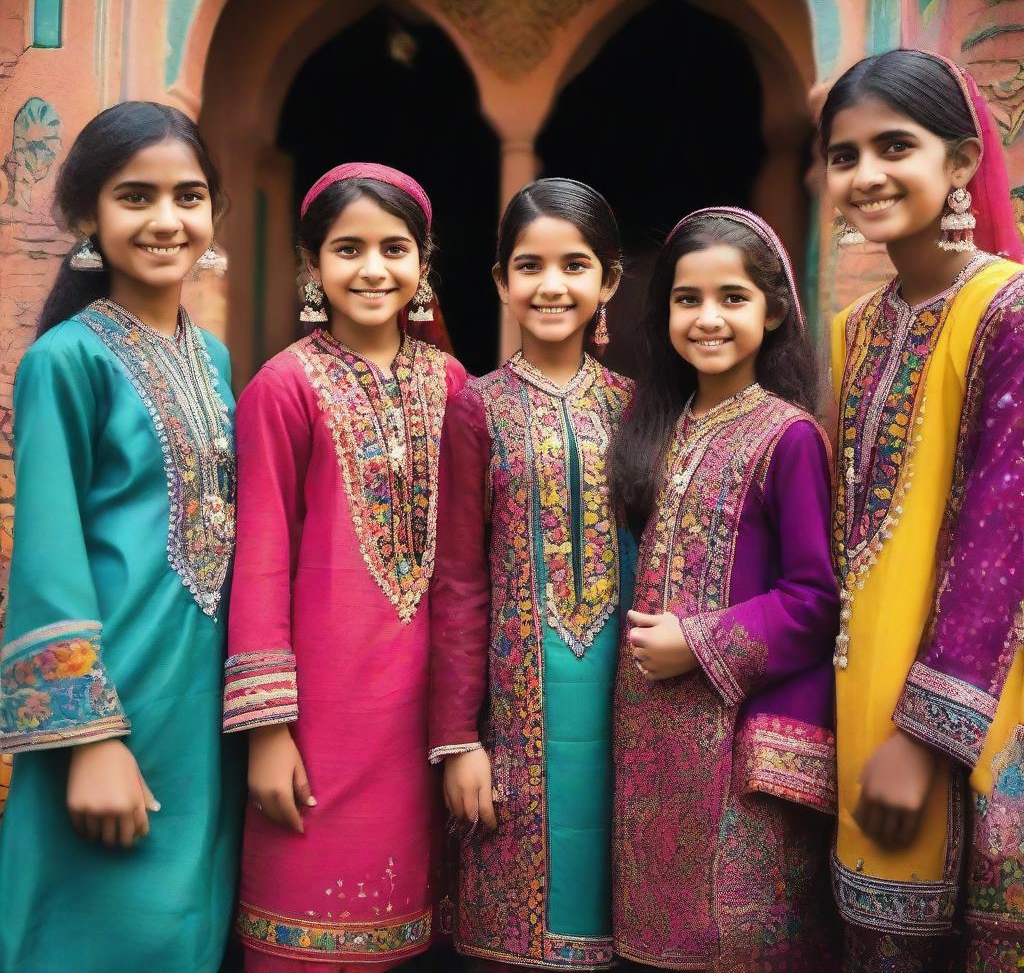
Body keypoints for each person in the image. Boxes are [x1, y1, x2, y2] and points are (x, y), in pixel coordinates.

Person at [0, 101, 241, 972]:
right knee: (89, 934)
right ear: (90, 219)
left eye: (188, 196)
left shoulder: (213, 362)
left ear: (214, 213)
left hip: (199, 712)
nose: (167, 220)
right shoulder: (65, 362)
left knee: (184, 932)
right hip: (111, 713)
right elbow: (49, 561)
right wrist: (89, 742)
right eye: (135, 197)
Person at [223, 163, 465, 971]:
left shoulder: (456, 387)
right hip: (317, 725)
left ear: (423, 266)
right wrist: (267, 732)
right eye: (347, 248)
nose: (372, 269)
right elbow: (257, 563)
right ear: (310, 265)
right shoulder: (282, 388)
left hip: (423, 721)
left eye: (394, 249)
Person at [822, 49, 1024, 971]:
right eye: (843, 154)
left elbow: (1002, 537)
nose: (865, 175)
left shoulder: (1007, 311)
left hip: (968, 718)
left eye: (893, 146)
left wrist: (921, 737)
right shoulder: (856, 330)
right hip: (861, 699)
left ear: (961, 163)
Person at [609, 207, 839, 971]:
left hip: (735, 741)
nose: (708, 319)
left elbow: (814, 598)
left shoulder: (789, 435)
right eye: (687, 299)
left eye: (732, 298)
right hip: (648, 743)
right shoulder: (653, 426)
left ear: (772, 310)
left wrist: (698, 643)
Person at [429, 178, 631, 971]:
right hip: (511, 719)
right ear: (501, 281)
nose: (552, 286)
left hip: (625, 709)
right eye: (530, 266)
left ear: (609, 280)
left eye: (575, 265)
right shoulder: (476, 407)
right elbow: (457, 581)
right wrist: (456, 741)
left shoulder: (639, 408)